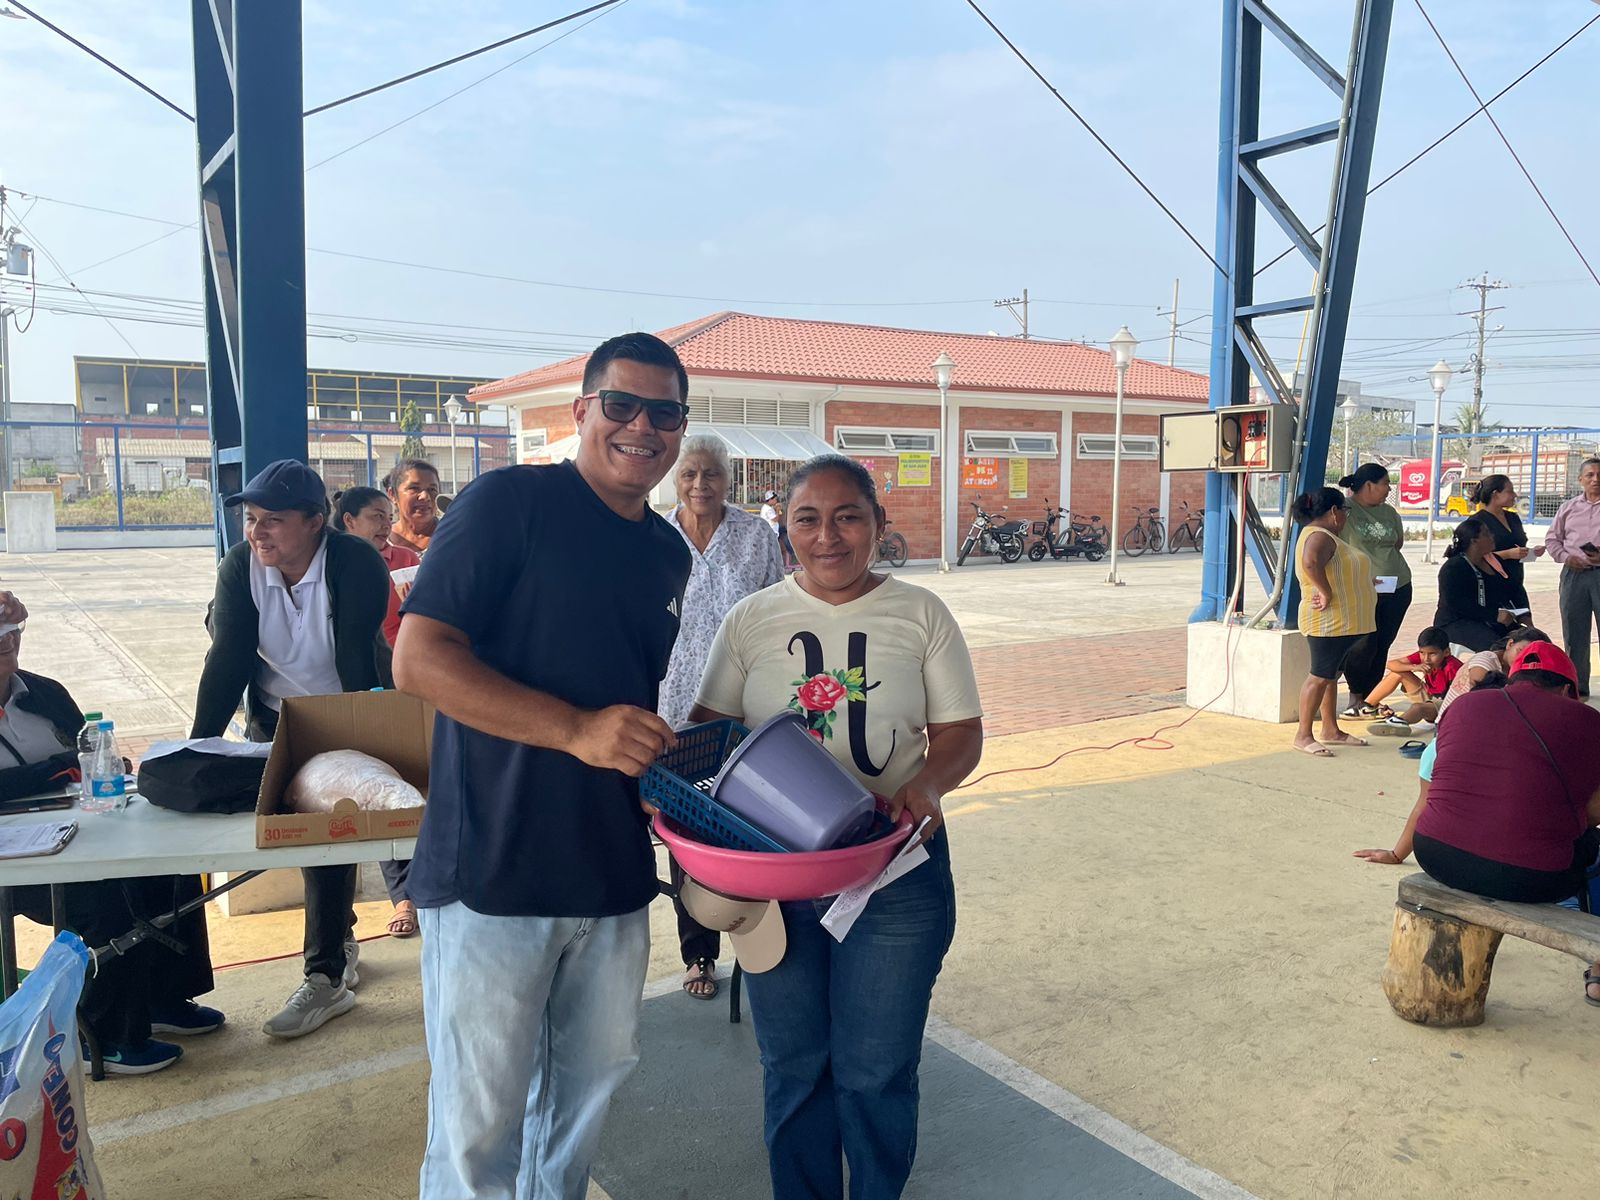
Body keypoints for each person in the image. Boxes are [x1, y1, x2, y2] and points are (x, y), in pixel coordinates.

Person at [392, 332, 692, 1200]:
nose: (643, 427)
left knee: (578, 1114)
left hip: (610, 872)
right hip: (494, 871)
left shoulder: (668, 552)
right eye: (622, 405)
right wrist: (577, 731)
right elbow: (419, 659)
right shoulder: (509, 503)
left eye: (665, 412)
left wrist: (655, 759)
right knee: (477, 1131)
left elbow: (619, 691)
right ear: (582, 410)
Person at [689, 454, 983, 1200]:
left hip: (895, 874)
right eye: (808, 519)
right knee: (794, 1065)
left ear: (879, 525)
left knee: (876, 1069)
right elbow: (709, 734)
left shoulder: (921, 613)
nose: (828, 536)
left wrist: (927, 782)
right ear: (784, 531)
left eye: (848, 516)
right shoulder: (751, 619)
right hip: (777, 881)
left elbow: (961, 732)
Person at [191, 460, 392, 1038]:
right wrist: (198, 746)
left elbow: (356, 659)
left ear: (314, 522)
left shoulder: (354, 562)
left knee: (327, 830)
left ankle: (325, 976)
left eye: (272, 520)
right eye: (251, 519)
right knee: (301, 840)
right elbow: (228, 659)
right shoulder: (241, 566)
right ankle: (340, 940)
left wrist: (359, 749)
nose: (257, 532)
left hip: (346, 708)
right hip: (276, 715)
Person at [4, 596, 222, 1075]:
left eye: (12, 633)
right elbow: (58, 767)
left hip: (70, 831)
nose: (8, 643)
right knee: (108, 894)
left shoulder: (42, 693)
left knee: (169, 866)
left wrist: (103, 767)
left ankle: (165, 1000)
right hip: (15, 861)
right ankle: (106, 1036)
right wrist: (51, 771)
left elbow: (88, 753)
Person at [657, 433, 784, 1001]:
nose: (700, 484)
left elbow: (778, 613)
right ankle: (699, 952)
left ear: (728, 480)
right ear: (675, 479)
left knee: (753, 820)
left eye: (711, 473)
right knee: (689, 826)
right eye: (689, 474)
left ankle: (764, 949)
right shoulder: (655, 535)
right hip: (673, 704)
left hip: (743, 706)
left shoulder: (756, 536)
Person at [1409, 642, 1600, 1006]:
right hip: (1529, 877)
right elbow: (1593, 812)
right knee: (1591, 848)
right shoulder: (1588, 721)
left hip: (1435, 853)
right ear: (1565, 689)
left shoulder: (1463, 705)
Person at [1354, 628, 1550, 866]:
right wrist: (1396, 855)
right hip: (1452, 734)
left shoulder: (1512, 675)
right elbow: (1479, 685)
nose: (1523, 658)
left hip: (1468, 737)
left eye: (1530, 656)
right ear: (1509, 644)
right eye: (1521, 651)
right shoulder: (1486, 661)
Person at [334, 486, 420, 939]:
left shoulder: (406, 559)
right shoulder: (331, 564)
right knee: (369, 795)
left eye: (388, 517)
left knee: (401, 785)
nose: (386, 524)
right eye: (375, 516)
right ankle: (392, 900)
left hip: (408, 679)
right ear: (348, 521)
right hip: (353, 694)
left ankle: (411, 893)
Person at [1290, 487, 1376, 757]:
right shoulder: (1319, 535)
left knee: (1329, 676)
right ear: (1334, 511)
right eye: (1345, 511)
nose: (1346, 517)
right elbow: (1311, 563)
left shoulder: (1326, 536)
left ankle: (1330, 729)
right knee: (1319, 676)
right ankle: (1303, 735)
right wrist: (1325, 591)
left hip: (1343, 623)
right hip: (1328, 622)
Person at [1338, 464, 1411, 719]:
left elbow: (1397, 543)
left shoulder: (1389, 512)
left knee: (1382, 643)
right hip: (1362, 587)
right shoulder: (1345, 510)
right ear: (1369, 485)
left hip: (1397, 586)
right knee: (1363, 643)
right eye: (1385, 483)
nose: (1389, 489)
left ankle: (1371, 698)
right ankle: (1355, 695)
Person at [1544, 456, 1600, 697]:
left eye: (1599, 475)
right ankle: (1578, 687)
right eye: (1590, 475)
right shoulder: (1568, 508)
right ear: (1580, 479)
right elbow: (1552, 539)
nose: (1595, 479)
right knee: (1574, 633)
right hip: (1574, 575)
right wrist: (1567, 558)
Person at [1434, 517, 1520, 653]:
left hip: (1490, 619)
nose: (1492, 536)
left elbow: (1512, 590)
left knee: (1531, 640)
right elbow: (1455, 603)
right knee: (1498, 647)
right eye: (1486, 534)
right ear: (1474, 541)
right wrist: (1494, 615)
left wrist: (1523, 615)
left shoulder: (1494, 561)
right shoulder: (1453, 567)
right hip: (1456, 622)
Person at [1362, 626, 1460, 735]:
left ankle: (1399, 722)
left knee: (1418, 708)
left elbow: (1459, 696)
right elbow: (1391, 664)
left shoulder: (1452, 667)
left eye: (1432, 654)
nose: (1426, 659)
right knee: (1398, 673)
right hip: (1431, 697)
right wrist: (1414, 667)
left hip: (1446, 707)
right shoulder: (1424, 658)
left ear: (1446, 652)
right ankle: (1368, 707)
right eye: (1422, 653)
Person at [1475, 473, 1541, 612]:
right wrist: (1507, 554)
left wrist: (1531, 553)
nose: (1515, 495)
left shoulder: (1513, 517)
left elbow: (1516, 548)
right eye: (1510, 491)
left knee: (1524, 624)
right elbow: (1472, 559)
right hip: (1491, 587)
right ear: (1495, 494)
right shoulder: (1477, 522)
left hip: (1516, 586)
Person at [385, 458, 442, 555]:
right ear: (393, 494)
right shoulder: (379, 540)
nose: (425, 496)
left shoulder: (452, 536)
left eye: (432, 489)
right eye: (414, 488)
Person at [761, 487, 794, 567]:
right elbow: (775, 519)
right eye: (775, 499)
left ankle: (787, 558)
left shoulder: (769, 508)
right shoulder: (768, 509)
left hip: (775, 531)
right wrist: (778, 510)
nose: (776, 501)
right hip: (772, 532)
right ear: (770, 500)